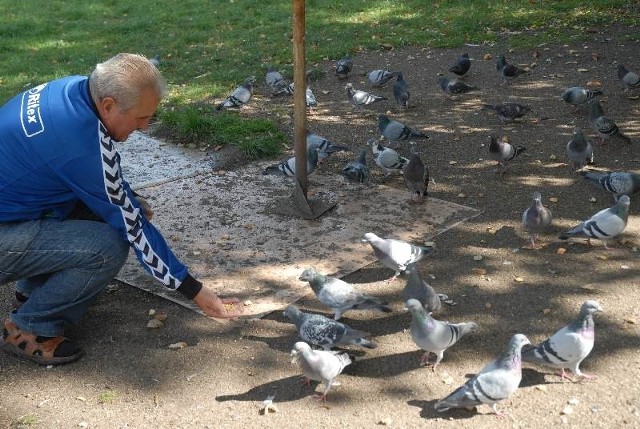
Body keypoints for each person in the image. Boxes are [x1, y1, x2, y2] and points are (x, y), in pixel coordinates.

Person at [0, 53, 243, 365]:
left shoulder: (73, 89)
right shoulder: (80, 143)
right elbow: (133, 229)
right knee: (109, 246)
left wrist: (128, 203)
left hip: (11, 212)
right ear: (109, 105)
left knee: (109, 209)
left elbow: (102, 185)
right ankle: (30, 327)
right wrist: (196, 291)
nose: (143, 127)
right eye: (140, 118)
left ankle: (34, 290)